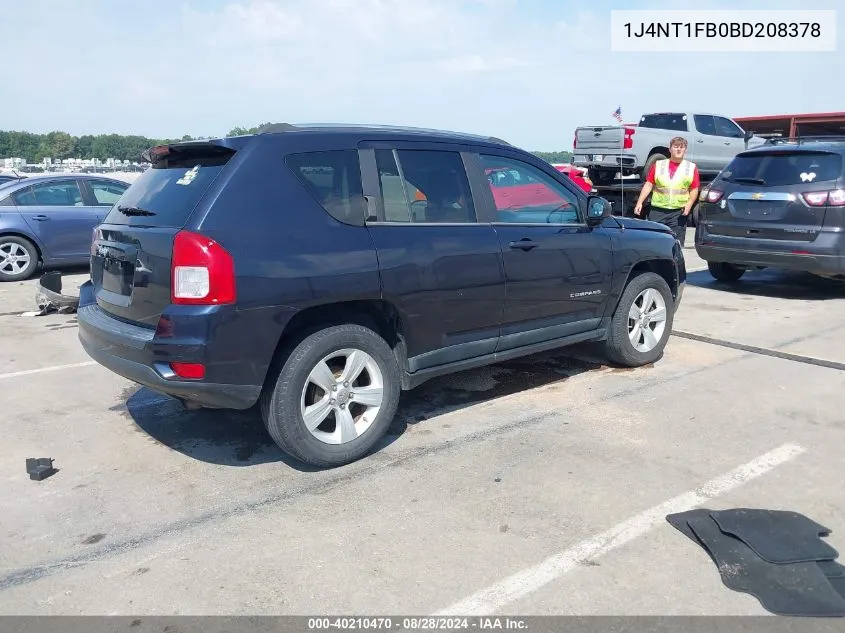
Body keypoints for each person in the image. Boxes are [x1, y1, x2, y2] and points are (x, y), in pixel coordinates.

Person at [633, 136, 700, 245]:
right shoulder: (659, 165)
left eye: (682, 147)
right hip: (657, 211)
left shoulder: (691, 167)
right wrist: (640, 202)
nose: (679, 149)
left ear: (685, 150)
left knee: (675, 244)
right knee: (653, 242)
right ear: (670, 149)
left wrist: (689, 205)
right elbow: (649, 185)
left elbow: (694, 189)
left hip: (678, 212)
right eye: (676, 146)